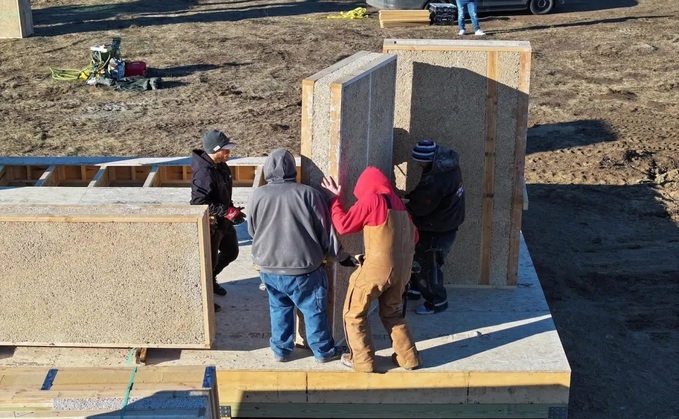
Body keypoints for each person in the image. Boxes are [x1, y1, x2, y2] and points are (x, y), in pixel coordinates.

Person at [247, 148, 345, 363]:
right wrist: (339, 255)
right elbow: (325, 230)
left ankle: (281, 351)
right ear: (294, 169)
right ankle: (323, 352)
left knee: (279, 308)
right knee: (313, 310)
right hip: (304, 268)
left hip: (268, 268)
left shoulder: (257, 195)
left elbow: (252, 231)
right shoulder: (309, 193)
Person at [321, 167, 421, 373]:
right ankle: (409, 358)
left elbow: (343, 225)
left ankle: (362, 362)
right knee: (392, 313)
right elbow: (415, 237)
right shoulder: (400, 206)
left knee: (354, 314)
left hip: (377, 270)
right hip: (403, 271)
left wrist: (335, 199)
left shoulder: (373, 200)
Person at [405, 140, 465, 315]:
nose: (417, 164)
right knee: (420, 259)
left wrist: (404, 204)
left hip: (437, 228)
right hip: (446, 223)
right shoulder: (446, 166)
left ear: (428, 159)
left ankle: (437, 301)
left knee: (428, 266)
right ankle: (416, 288)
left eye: (419, 161)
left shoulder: (435, 178)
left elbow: (421, 205)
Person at [190, 129, 245, 313]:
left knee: (231, 252)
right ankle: (205, 302)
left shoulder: (221, 165)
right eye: (226, 150)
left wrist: (233, 210)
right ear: (215, 150)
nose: (229, 153)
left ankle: (212, 279)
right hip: (212, 225)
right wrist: (226, 211)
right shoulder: (203, 173)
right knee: (208, 264)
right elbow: (198, 203)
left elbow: (223, 194)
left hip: (224, 221)